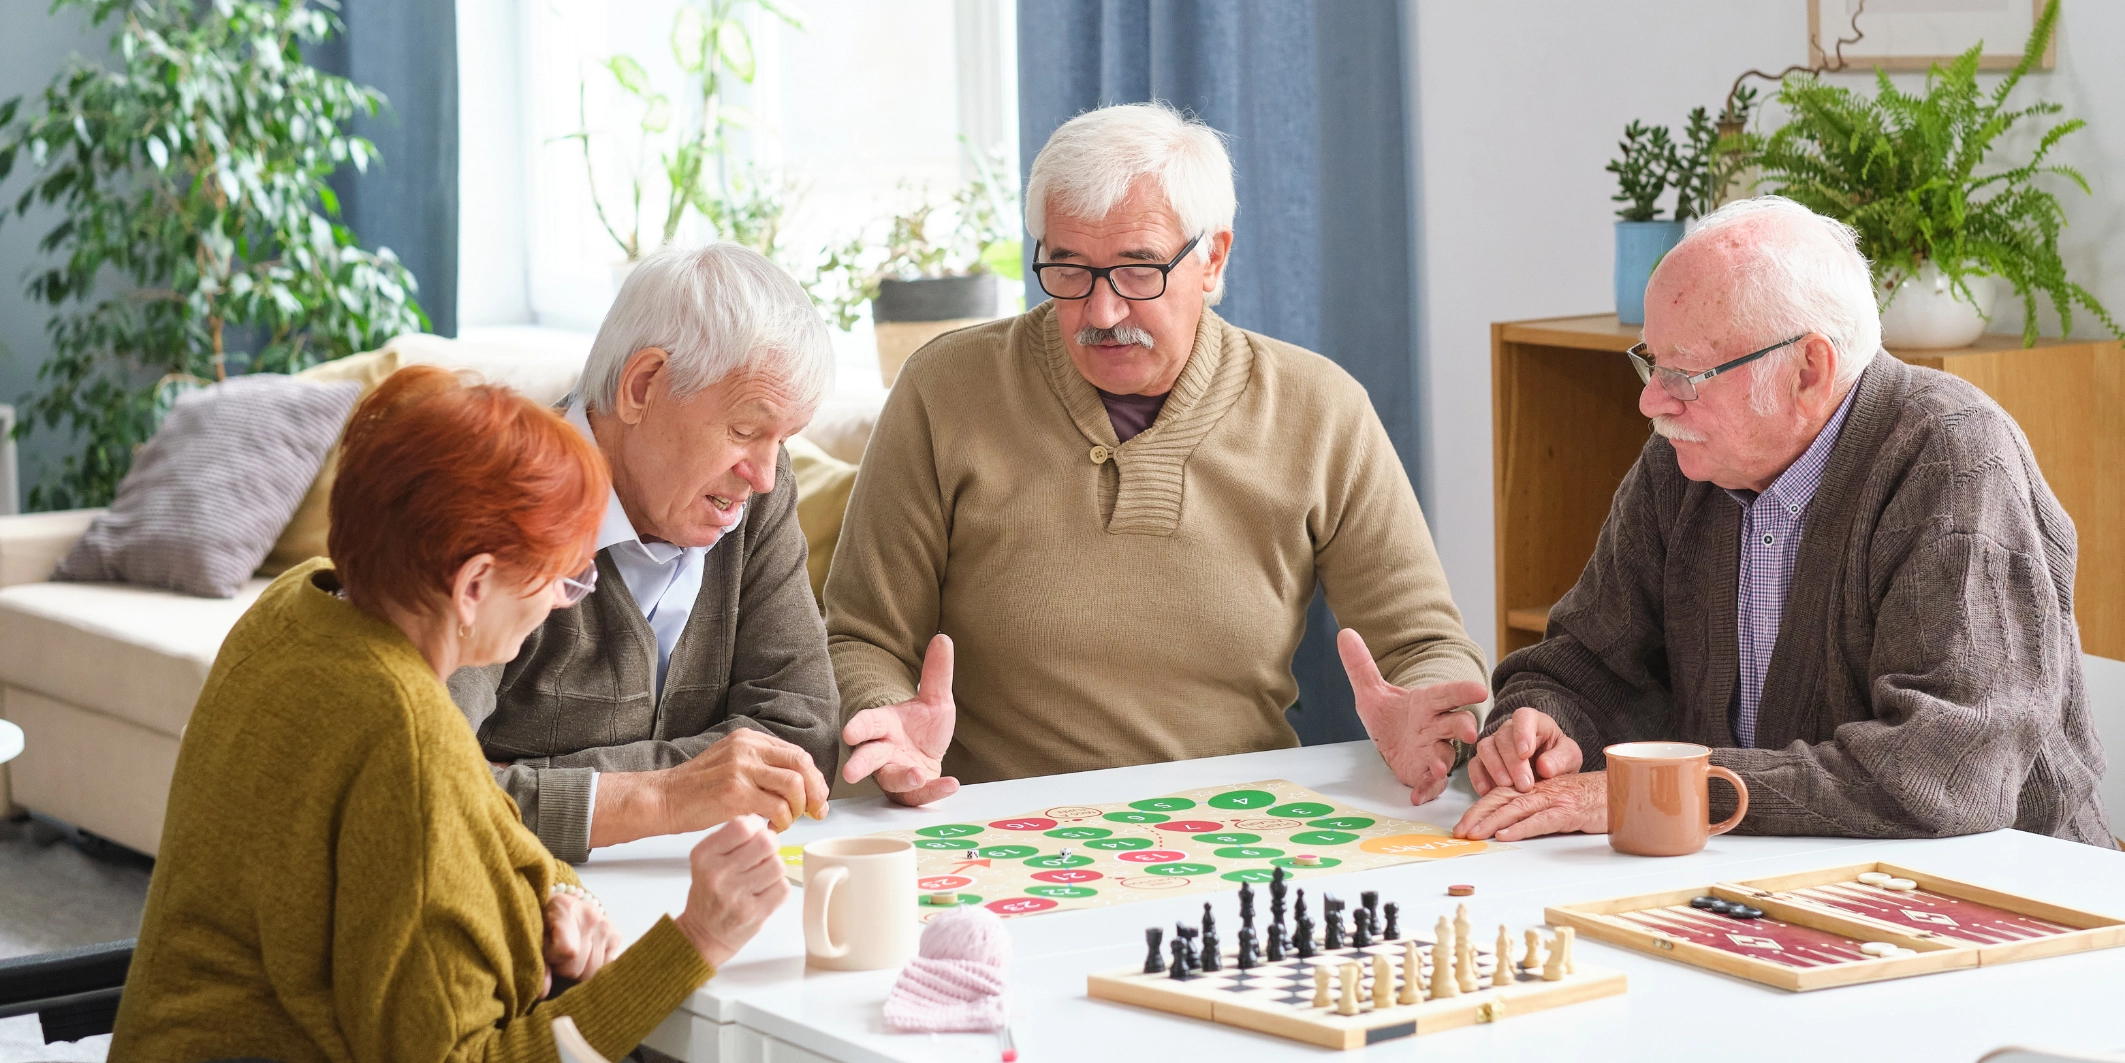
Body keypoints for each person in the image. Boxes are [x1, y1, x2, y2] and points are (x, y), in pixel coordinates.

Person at [112, 367, 790, 1061]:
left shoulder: (299, 607)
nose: (562, 600)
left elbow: (480, 812)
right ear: (472, 585)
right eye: (562, 576)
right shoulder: (404, 734)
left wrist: (549, 887)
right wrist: (699, 937)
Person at [826, 102, 1490, 806]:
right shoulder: (945, 389)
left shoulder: (1319, 408)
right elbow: (862, 636)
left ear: (1213, 258)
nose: (1102, 313)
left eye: (1138, 269)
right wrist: (885, 717)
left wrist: (1434, 715)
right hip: (994, 819)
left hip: (1234, 824)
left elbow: (1423, 644)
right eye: (1068, 269)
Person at [1453, 196, 2113, 847]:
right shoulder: (1682, 463)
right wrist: (1535, 725)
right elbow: (1585, 663)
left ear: (1808, 369)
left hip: (2002, 898)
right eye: (1650, 361)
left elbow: (1940, 771)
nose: (1650, 399)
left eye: (1685, 371)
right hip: (1757, 876)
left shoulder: (1954, 458)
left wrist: (1664, 793)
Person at [450, 244, 839, 864]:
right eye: (744, 430)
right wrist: (664, 797)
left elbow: (801, 740)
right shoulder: (496, 497)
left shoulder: (755, 494)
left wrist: (527, 780)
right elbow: (433, 796)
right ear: (642, 386)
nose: (763, 474)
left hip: (697, 885)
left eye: (781, 440)